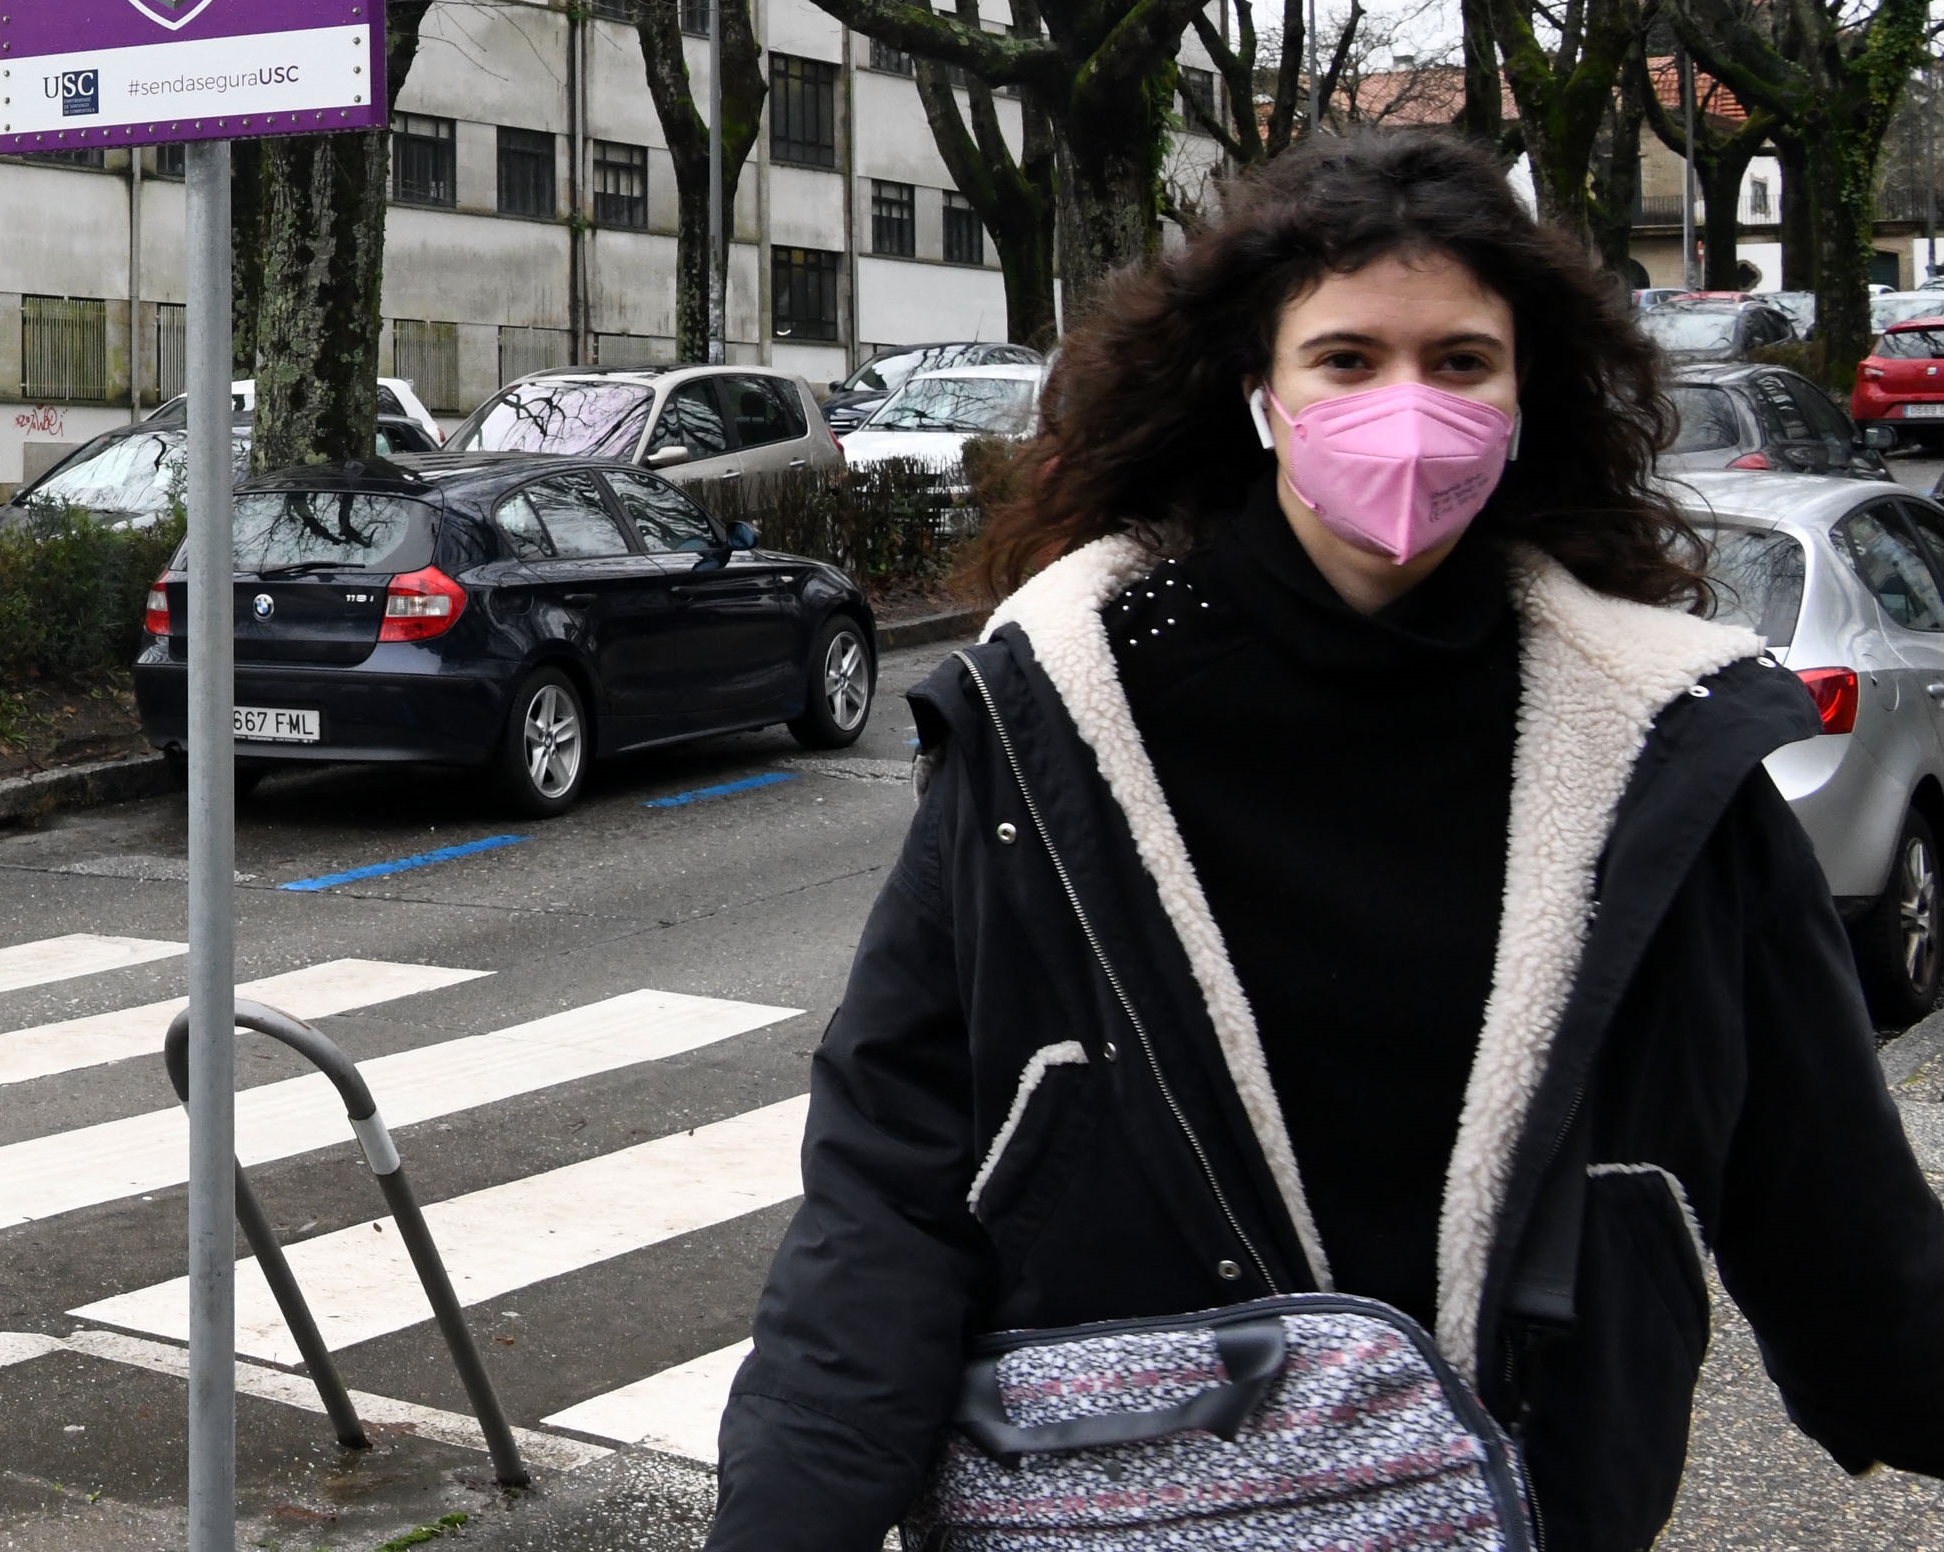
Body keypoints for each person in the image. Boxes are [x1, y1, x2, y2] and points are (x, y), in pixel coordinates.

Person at [707, 131, 1944, 1549]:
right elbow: (889, 1183)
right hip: (1132, 1503)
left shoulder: (1658, 748)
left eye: (1461, 362)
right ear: (1260, 394)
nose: (1407, 411)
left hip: (1527, 1501)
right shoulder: (1059, 719)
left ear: (1523, 399)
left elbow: (1834, 1210)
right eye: (1346, 360)